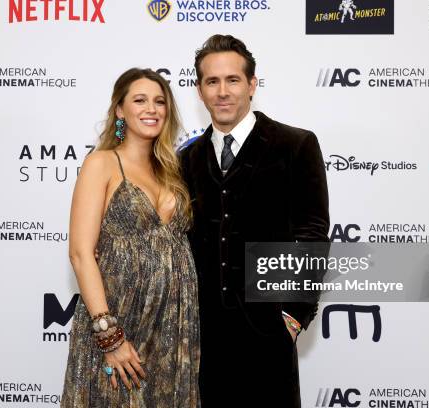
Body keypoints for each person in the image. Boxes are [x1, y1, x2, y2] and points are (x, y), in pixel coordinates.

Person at [180, 35, 330, 407]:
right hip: (204, 335)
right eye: (211, 82)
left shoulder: (295, 145)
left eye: (232, 80)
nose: (222, 92)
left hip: (269, 330)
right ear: (199, 91)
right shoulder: (187, 159)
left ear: (252, 84)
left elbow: (311, 234)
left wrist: (293, 315)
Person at [62, 68, 200, 407]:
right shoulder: (102, 163)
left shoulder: (172, 169)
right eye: (139, 100)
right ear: (120, 110)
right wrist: (110, 336)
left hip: (172, 326)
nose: (151, 109)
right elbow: (81, 253)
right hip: (119, 318)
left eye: (159, 102)